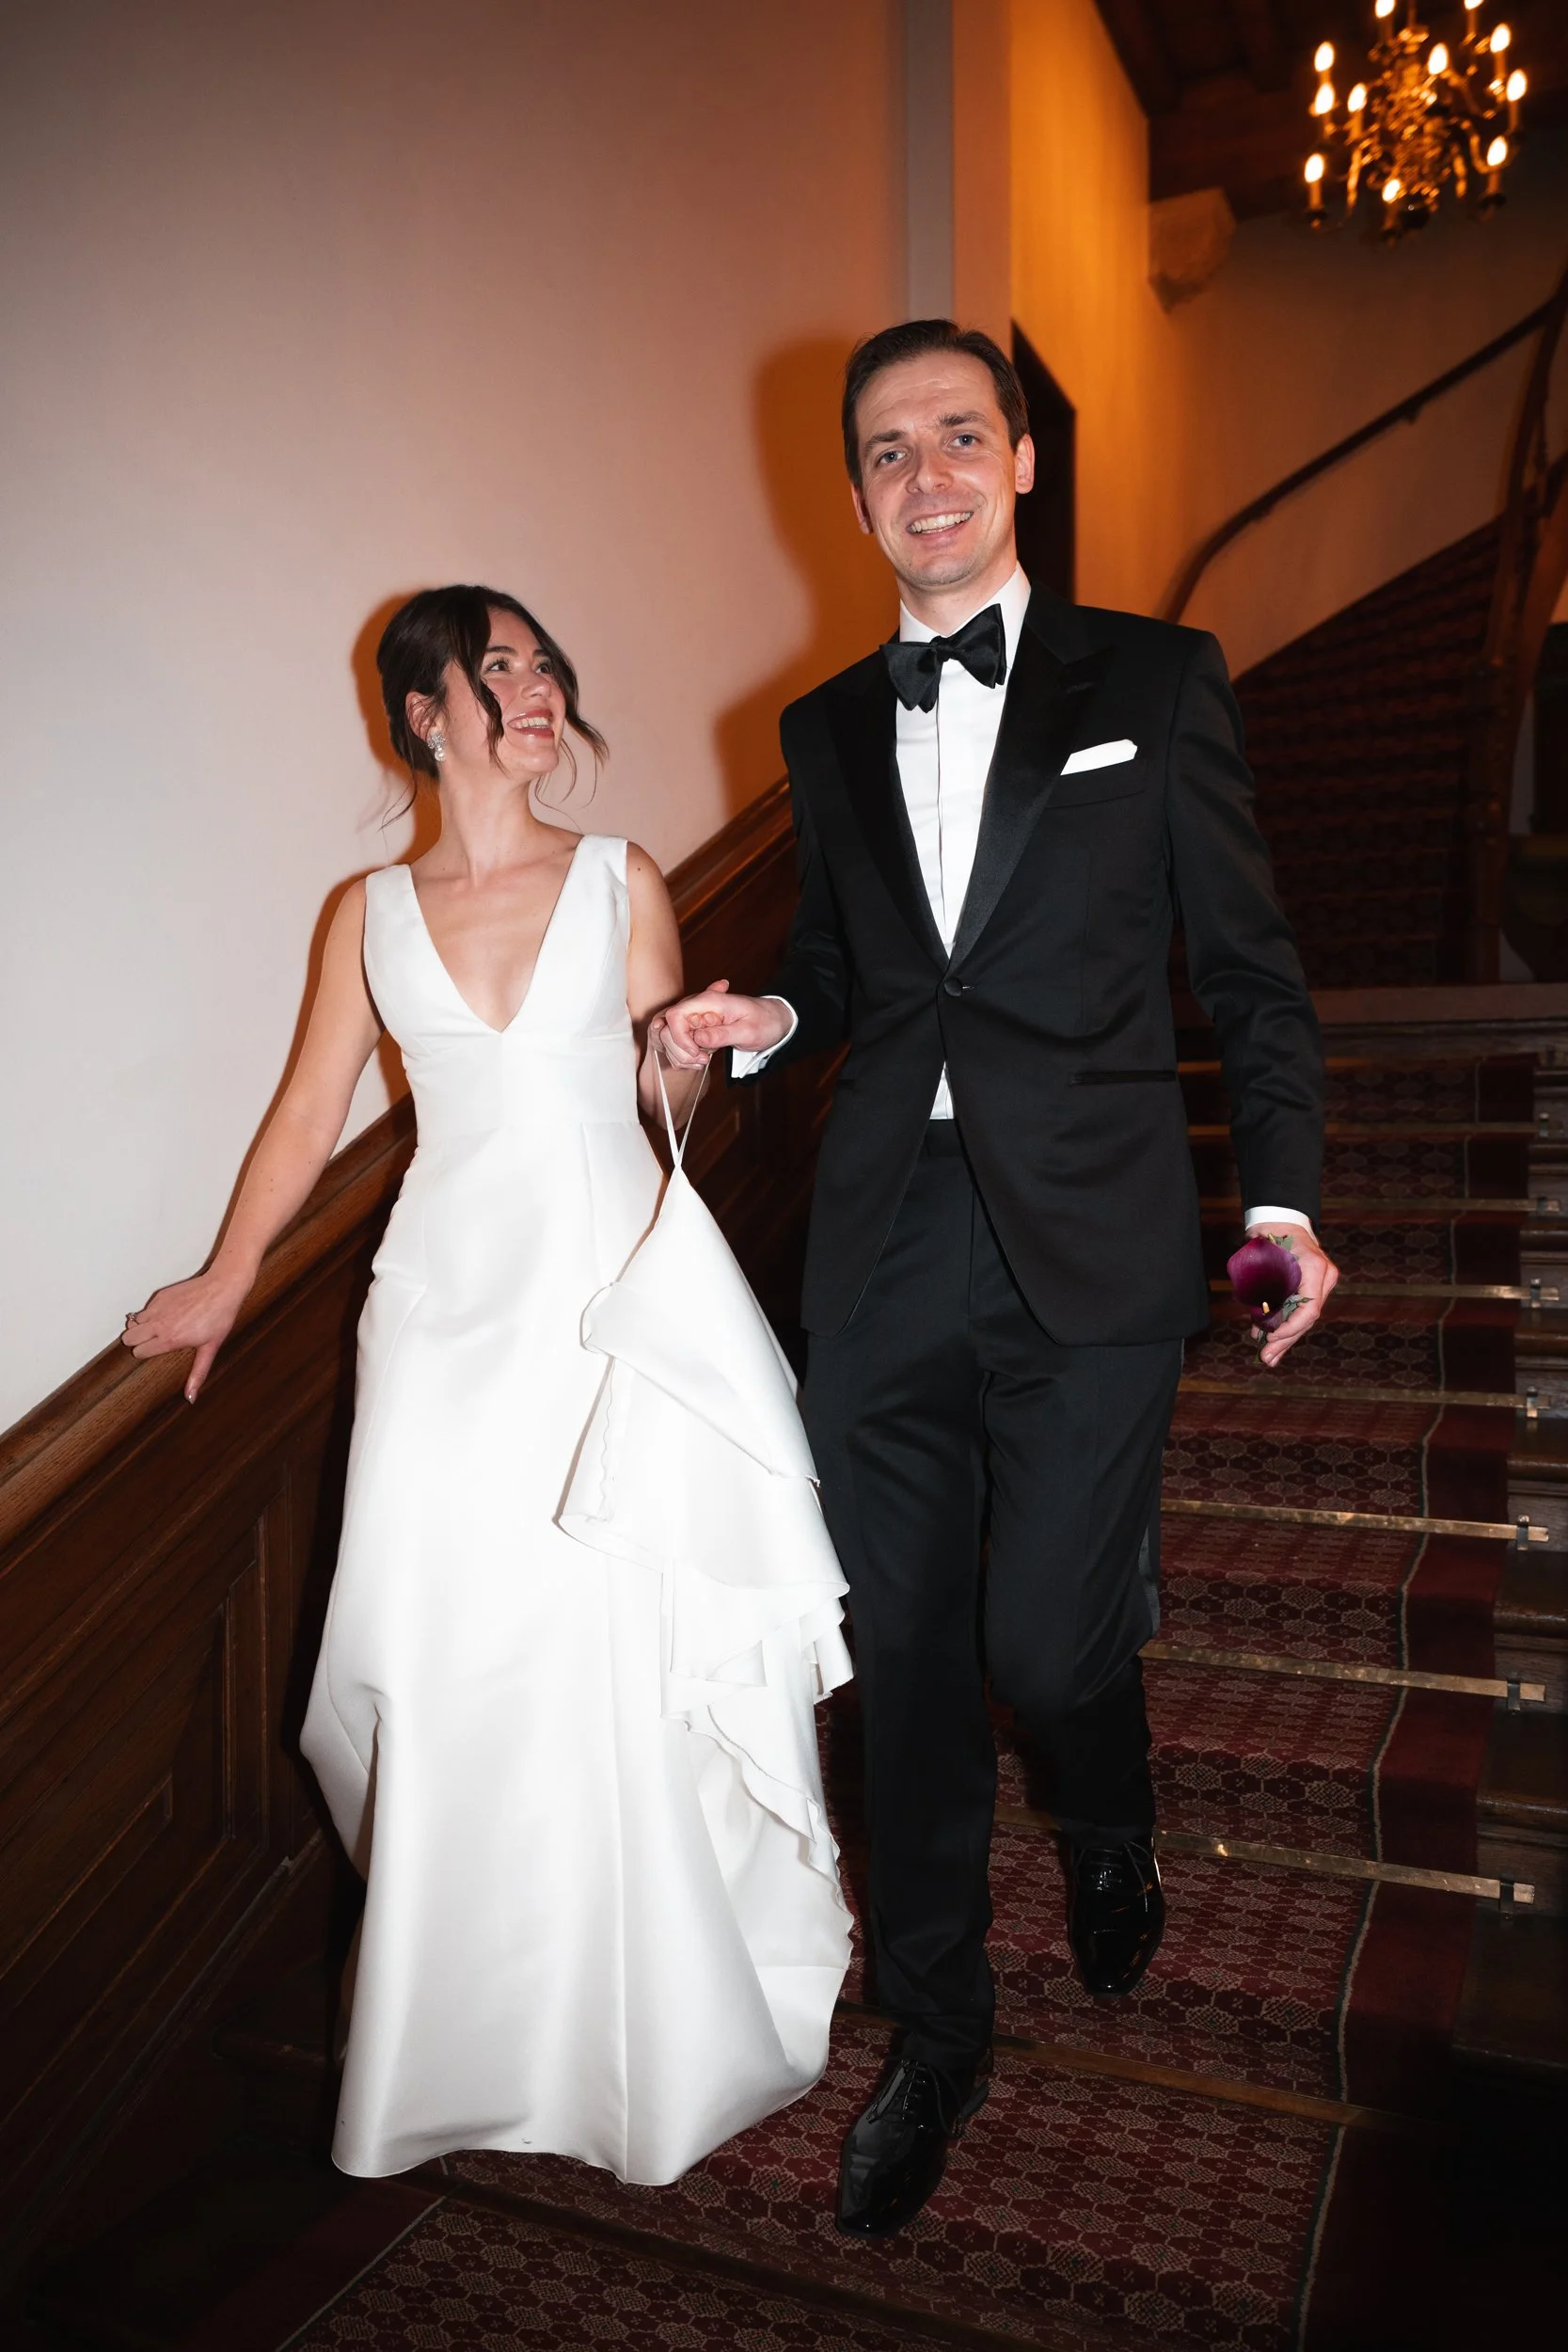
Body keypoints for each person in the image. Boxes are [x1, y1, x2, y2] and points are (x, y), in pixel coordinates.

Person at [660, 321, 1338, 2237]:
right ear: (855, 487)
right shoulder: (812, 727)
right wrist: (763, 1015)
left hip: (1100, 1233)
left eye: (959, 435)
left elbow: (1255, 974)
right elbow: (850, 969)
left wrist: (1281, 1199)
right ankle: (934, 2018)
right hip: (882, 1249)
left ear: (1020, 458)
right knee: (912, 1664)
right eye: (885, 450)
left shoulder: (1156, 675)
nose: (924, 475)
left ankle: (1106, 1820)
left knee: (1047, 1646)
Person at [123, 584, 852, 2185]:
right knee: (449, 1650)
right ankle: (468, 2035)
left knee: (611, 1635)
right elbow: (310, 1113)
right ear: (424, 714)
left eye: (541, 666)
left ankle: (652, 2028)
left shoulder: (622, 875)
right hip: (444, 1312)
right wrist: (228, 1280)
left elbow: (661, 1092)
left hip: (610, 1291)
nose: (531, 688)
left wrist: (689, 1041)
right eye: (495, 667)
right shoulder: (363, 913)